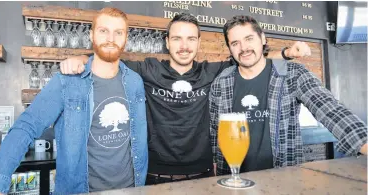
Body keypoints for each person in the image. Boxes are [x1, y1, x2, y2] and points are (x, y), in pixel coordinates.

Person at [60, 13, 311, 185]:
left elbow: (249, 57)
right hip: (155, 176)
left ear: (198, 43)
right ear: (167, 43)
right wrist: (81, 60)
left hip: (203, 175)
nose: (184, 45)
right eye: (177, 38)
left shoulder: (212, 71)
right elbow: (109, 61)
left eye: (191, 38)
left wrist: (286, 52)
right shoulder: (149, 69)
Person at [0, 7, 148, 195]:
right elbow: (26, 127)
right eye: (103, 31)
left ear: (126, 38)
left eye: (118, 32)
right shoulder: (67, 82)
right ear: (92, 35)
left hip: (131, 189)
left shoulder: (135, 82)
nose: (111, 38)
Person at [209, 15, 367, 176]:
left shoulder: (292, 74)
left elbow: (329, 109)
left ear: (262, 38)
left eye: (249, 38)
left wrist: (364, 142)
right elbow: (215, 130)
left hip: (284, 178)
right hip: (233, 179)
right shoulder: (221, 82)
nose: (243, 48)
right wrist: (215, 161)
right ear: (229, 47)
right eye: (235, 43)